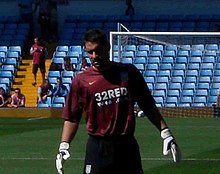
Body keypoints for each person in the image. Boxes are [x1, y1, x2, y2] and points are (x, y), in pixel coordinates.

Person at [55, 29, 181, 174]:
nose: (94, 56)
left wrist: (165, 132)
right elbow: (72, 117)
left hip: (126, 146)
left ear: (107, 47)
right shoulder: (81, 81)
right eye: (90, 52)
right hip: (98, 147)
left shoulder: (128, 73)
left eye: (98, 50)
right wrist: (64, 146)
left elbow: (147, 105)